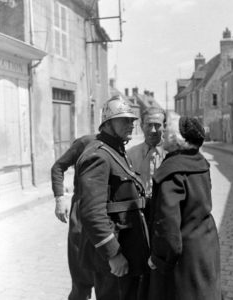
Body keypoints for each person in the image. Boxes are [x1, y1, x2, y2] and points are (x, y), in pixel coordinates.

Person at [72, 95, 150, 300]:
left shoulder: (115, 151)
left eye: (132, 120)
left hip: (128, 251)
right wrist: (113, 254)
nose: (131, 124)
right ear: (107, 123)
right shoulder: (98, 156)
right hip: (113, 260)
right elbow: (91, 212)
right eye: (124, 119)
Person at [147, 113, 222, 300]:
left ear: (175, 139)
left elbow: (168, 227)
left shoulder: (172, 171)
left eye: (165, 130)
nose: (161, 133)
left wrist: (158, 260)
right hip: (206, 247)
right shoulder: (199, 162)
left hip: (184, 261)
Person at [51, 135, 96, 300]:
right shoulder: (85, 143)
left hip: (107, 212)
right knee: (80, 275)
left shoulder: (121, 146)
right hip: (82, 212)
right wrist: (60, 198)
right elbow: (58, 167)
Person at [127, 107, 167, 199]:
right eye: (149, 125)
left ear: (164, 126)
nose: (153, 130)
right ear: (141, 126)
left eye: (157, 125)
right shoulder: (130, 155)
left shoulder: (172, 155)